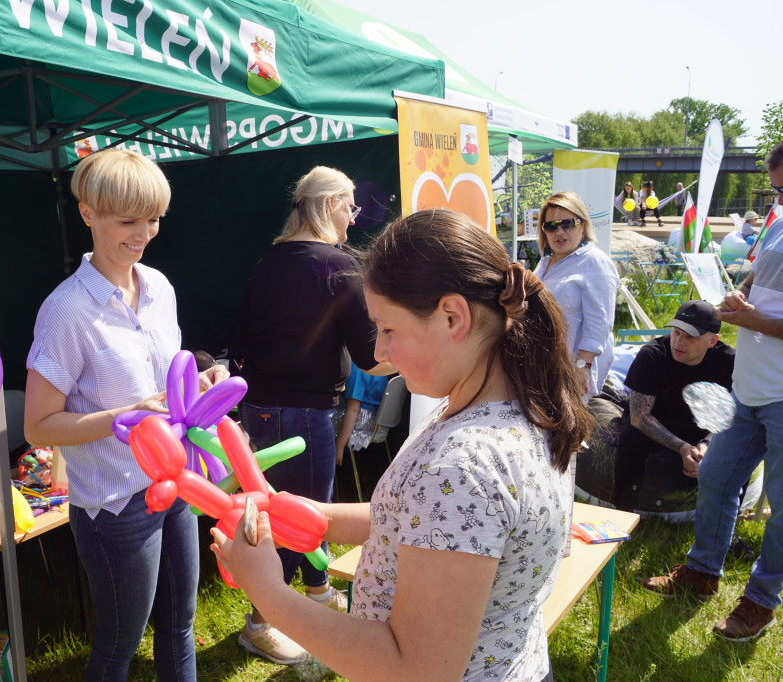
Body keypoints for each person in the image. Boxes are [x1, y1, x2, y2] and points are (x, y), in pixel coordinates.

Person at [213, 209, 592, 681]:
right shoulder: (530, 408)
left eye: (388, 329)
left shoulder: (462, 467)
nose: (378, 353)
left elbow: (414, 670)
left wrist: (268, 589)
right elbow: (426, 524)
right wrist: (315, 516)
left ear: (453, 317)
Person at [23, 149, 227, 680]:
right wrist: (126, 415)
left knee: (180, 624)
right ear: (88, 213)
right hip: (114, 505)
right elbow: (38, 426)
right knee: (120, 644)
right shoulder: (67, 310)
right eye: (128, 220)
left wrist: (199, 386)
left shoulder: (159, 288)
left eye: (154, 219)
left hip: (176, 480)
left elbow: (166, 387)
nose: (144, 233)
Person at [234, 165, 393, 664]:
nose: (354, 216)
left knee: (279, 513)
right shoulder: (338, 266)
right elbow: (371, 357)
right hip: (302, 416)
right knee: (294, 522)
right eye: (350, 205)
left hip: (258, 409)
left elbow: (240, 343)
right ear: (328, 206)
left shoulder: (269, 261)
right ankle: (261, 623)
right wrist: (426, 353)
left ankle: (316, 595)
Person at [643, 141, 783, 642]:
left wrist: (751, 319)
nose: (779, 198)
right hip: (751, 389)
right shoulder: (779, 223)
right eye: (776, 188)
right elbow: (761, 275)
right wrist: (741, 290)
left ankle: (761, 602)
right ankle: (702, 573)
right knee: (717, 478)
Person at [612, 301, 735, 511]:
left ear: (712, 340)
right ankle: (622, 510)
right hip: (655, 419)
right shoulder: (651, 355)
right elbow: (640, 417)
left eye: (690, 336)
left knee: (737, 443)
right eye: (677, 332)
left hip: (700, 425)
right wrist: (683, 448)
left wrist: (706, 445)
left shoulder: (728, 361)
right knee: (631, 437)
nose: (679, 342)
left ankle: (723, 520)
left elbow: (733, 414)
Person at [533, 191, 620, 399]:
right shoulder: (546, 261)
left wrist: (583, 365)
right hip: (542, 365)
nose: (559, 231)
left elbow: (601, 321)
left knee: (565, 427)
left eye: (567, 223)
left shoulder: (595, 262)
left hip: (572, 368)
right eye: (551, 226)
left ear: (582, 224)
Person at [333, 361, 390, 466]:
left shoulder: (357, 369)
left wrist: (339, 446)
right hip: (379, 423)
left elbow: (353, 410)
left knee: (320, 414)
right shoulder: (380, 364)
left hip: (362, 423)